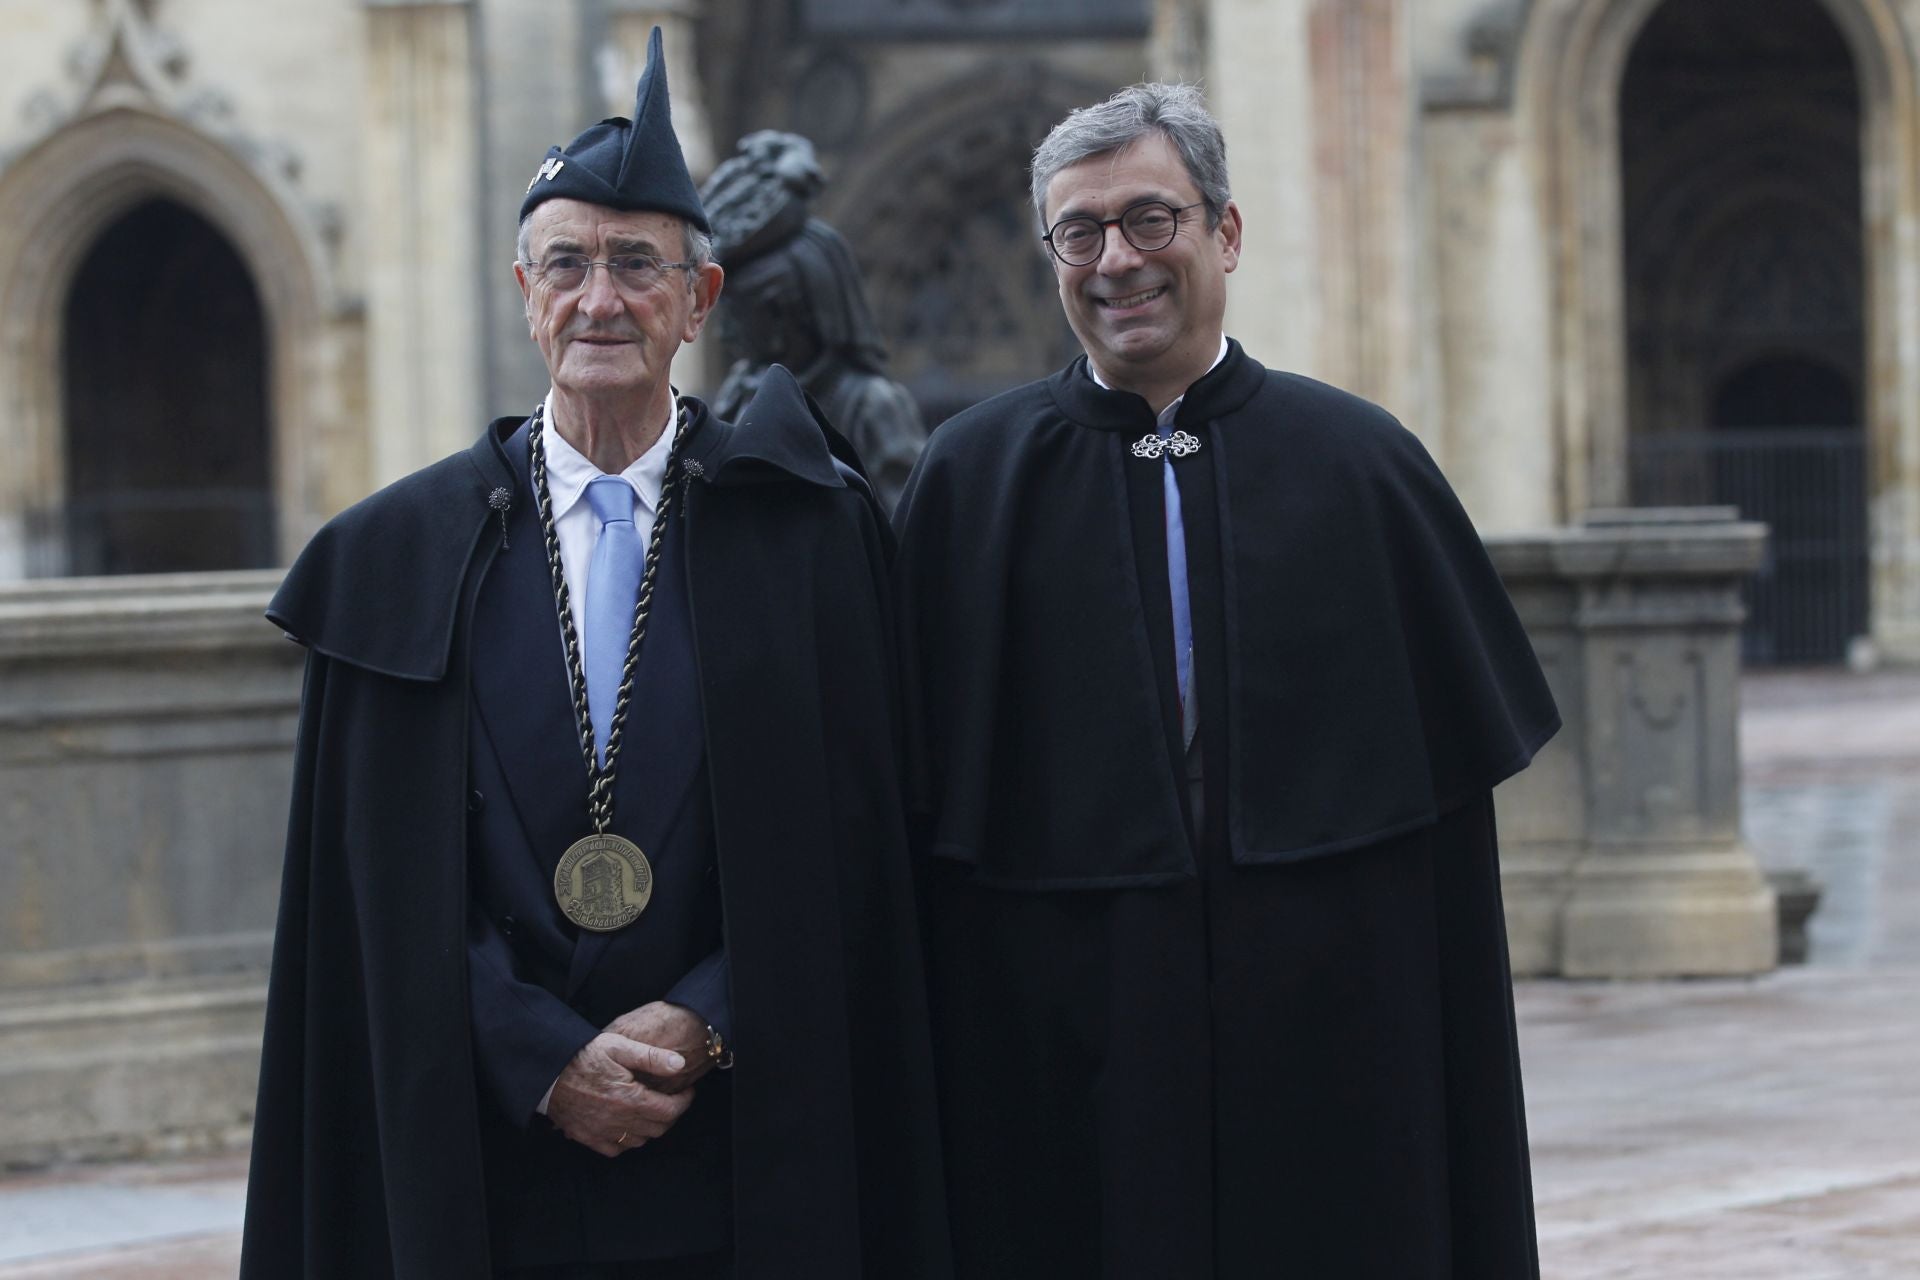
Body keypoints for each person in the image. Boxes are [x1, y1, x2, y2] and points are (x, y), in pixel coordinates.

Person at [241, 29, 947, 1279]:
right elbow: (374, 881)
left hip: (740, 1152)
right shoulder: (401, 554)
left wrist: (708, 1016)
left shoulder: (806, 532)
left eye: (636, 263)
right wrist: (539, 1052)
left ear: (700, 299)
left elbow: (860, 841)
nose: (600, 299)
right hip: (489, 1161)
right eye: (567, 263)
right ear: (526, 291)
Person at [891, 82, 1561, 1279]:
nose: (1117, 259)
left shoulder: (1363, 463)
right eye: (1080, 232)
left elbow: (1446, 850)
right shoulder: (970, 477)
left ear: (1227, 232)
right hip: (1068, 1012)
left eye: (1151, 219)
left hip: (1333, 1008)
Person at [702, 130, 927, 513]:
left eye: (737, 318)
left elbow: (909, 525)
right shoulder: (739, 392)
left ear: (784, 315)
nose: (723, 334)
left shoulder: (870, 406)